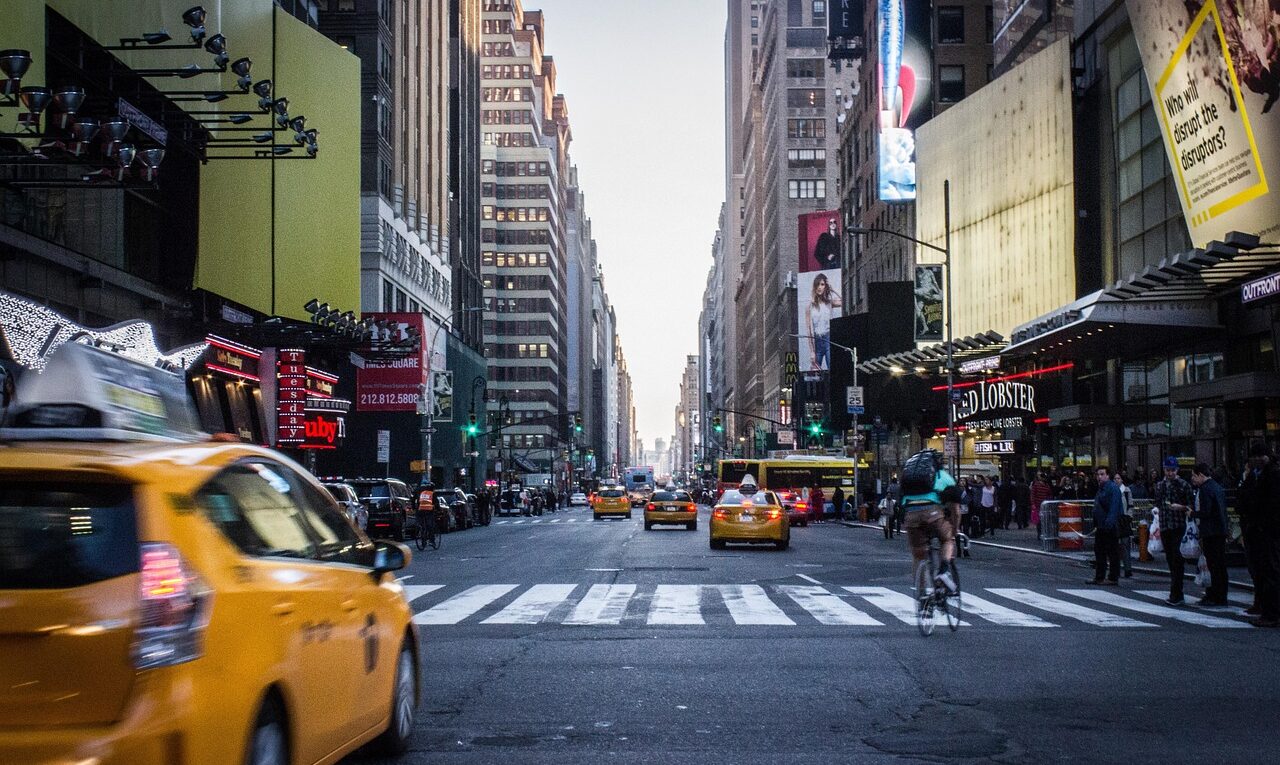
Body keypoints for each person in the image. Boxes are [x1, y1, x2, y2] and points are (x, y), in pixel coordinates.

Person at [900, 449, 959, 593]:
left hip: (911, 514)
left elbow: (900, 502)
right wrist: (954, 531)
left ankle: (922, 597)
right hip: (932, 513)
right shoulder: (944, 477)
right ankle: (944, 571)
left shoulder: (909, 480)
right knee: (946, 540)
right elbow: (955, 510)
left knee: (918, 555)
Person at [1237, 443, 1280, 627]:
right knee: (1265, 570)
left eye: (1255, 458)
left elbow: (1266, 504)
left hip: (1266, 530)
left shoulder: (1271, 475)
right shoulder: (1264, 474)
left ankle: (1271, 613)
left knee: (1269, 571)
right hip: (1262, 529)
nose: (1252, 462)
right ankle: (1266, 608)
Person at [1153, 457, 1193, 604]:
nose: (1169, 473)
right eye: (1167, 470)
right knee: (1171, 559)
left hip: (1178, 525)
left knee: (1177, 560)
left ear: (1177, 470)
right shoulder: (1160, 485)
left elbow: (1191, 505)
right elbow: (1157, 502)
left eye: (1172, 470)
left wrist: (1181, 507)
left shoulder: (1184, 485)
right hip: (1165, 525)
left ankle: (1177, 592)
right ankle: (1175, 591)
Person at [1190, 463, 1230, 607]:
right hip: (1220, 530)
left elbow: (1206, 512)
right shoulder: (1217, 487)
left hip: (1210, 532)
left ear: (1201, 475)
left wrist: (1192, 513)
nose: (1193, 479)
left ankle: (1215, 595)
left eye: (1194, 475)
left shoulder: (1205, 489)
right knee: (1219, 565)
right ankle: (1220, 595)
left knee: (1213, 565)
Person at [1089, 467, 1123, 586]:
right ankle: (1100, 576)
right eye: (1098, 474)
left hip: (1109, 526)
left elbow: (1114, 507)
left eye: (1102, 474)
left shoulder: (1112, 488)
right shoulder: (1101, 488)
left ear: (1108, 476)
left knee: (1112, 552)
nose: (1099, 477)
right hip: (1101, 525)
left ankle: (1113, 577)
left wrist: (1109, 523)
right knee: (1099, 552)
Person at [805, 273, 842, 371]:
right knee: (815, 374)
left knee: (832, 370)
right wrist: (812, 351)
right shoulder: (810, 306)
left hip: (829, 338)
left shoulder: (829, 302)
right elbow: (808, 330)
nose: (819, 287)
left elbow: (844, 301)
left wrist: (832, 289)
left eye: (822, 284)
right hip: (817, 340)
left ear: (826, 286)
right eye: (817, 285)